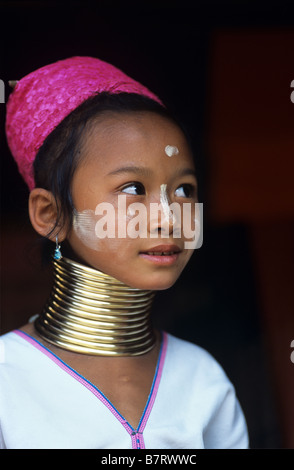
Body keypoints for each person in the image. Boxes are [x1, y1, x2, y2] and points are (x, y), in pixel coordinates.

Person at [0, 56, 249, 449]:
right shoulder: (7, 378)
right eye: (133, 189)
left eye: (184, 190)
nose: (169, 219)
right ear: (51, 215)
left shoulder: (202, 378)